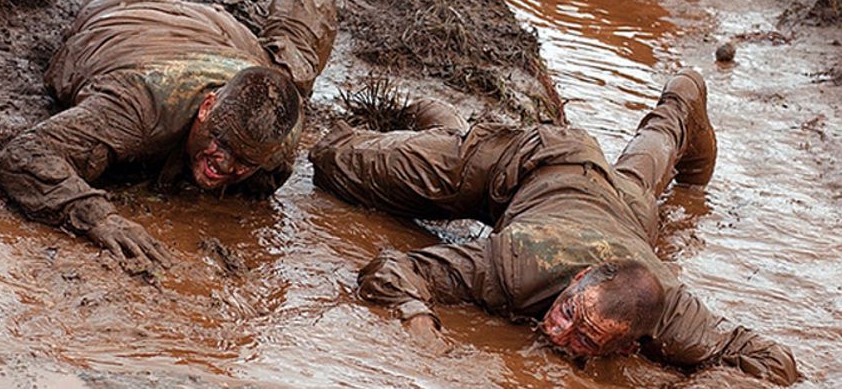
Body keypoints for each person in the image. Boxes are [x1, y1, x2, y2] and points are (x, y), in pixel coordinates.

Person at [309, 70, 798, 385]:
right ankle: (442, 124)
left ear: (628, 346)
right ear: (578, 281)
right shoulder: (516, 265)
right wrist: (417, 321)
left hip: (625, 212)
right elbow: (393, 268)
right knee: (334, 164)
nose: (556, 329)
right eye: (568, 311)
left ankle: (683, 97)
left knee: (645, 164)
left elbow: (776, 363)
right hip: (529, 164)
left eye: (585, 338)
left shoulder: (671, 313)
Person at [0, 0, 381, 271]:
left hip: (230, 46)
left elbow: (261, 176)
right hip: (129, 18)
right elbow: (26, 154)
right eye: (223, 145)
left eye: (245, 162)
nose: (227, 166)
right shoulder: (135, 107)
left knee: (292, 72)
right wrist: (99, 218)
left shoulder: (275, 148)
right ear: (207, 107)